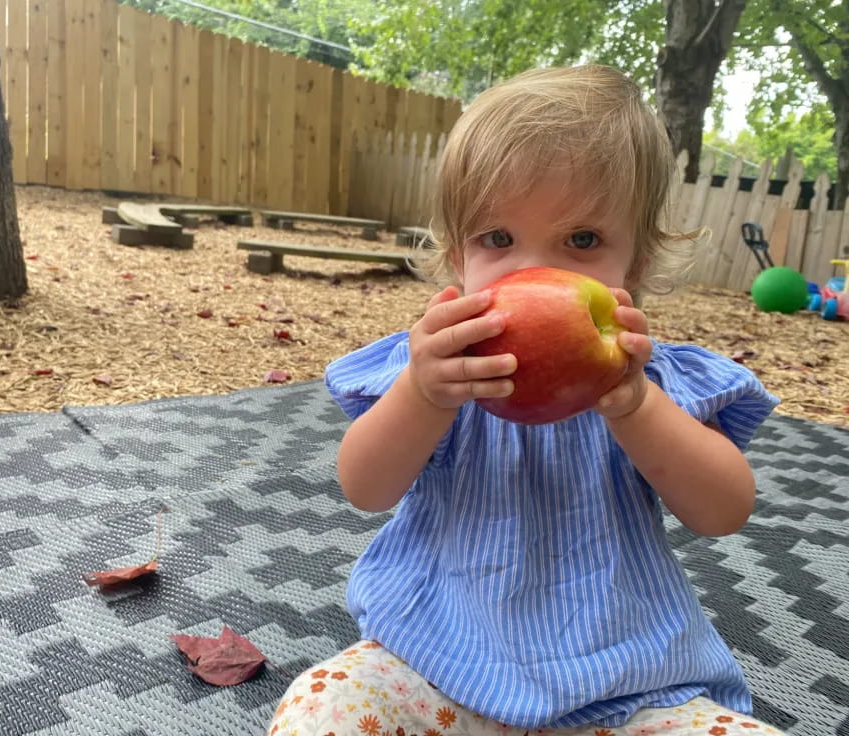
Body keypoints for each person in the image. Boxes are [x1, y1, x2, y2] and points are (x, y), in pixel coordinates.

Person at [267, 64, 782, 736]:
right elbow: (364, 485)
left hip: (624, 683)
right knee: (323, 709)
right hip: (438, 665)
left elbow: (724, 510)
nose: (536, 272)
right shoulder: (438, 372)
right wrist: (423, 396)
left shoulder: (652, 381)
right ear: (459, 258)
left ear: (639, 264)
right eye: (498, 240)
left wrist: (634, 406)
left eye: (583, 241)